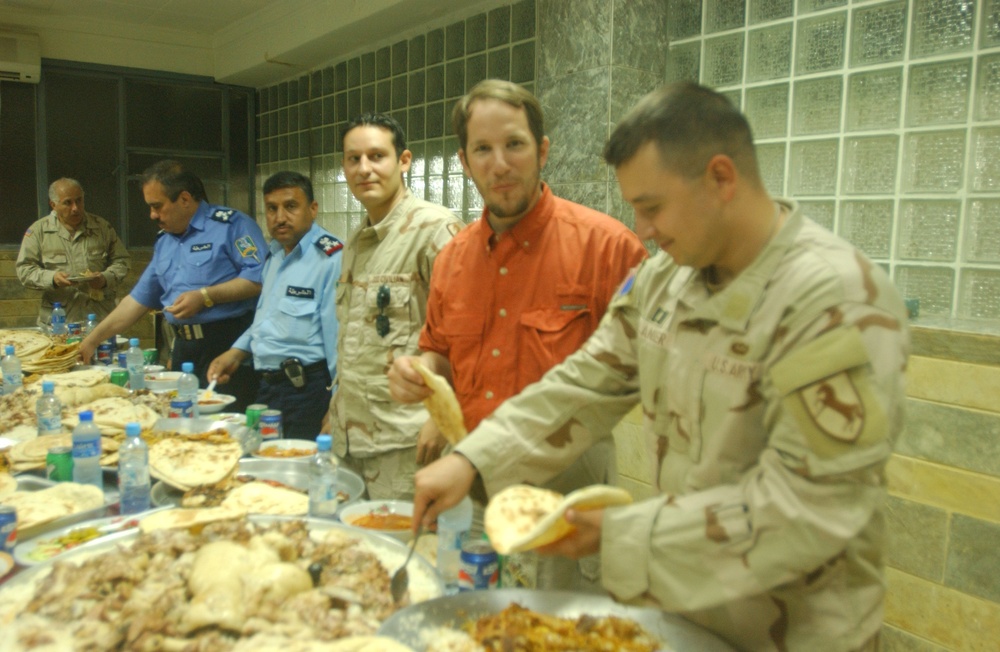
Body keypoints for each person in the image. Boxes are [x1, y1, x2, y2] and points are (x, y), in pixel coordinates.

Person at [407, 83, 910, 651]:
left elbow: (813, 505)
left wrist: (620, 537)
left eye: (652, 207)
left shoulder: (831, 298)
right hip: (688, 609)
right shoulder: (666, 280)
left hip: (795, 629)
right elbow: (585, 382)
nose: (641, 231)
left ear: (721, 178)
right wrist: (474, 459)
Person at [387, 79, 647, 590]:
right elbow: (438, 352)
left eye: (514, 144)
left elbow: (637, 367)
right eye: (483, 149)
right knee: (466, 618)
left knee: (561, 633)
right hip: (470, 484)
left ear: (542, 150)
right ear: (464, 161)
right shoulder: (453, 259)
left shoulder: (607, 247)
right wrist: (417, 374)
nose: (500, 164)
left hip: (563, 490)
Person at [324, 112, 464, 500]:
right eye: (353, 159)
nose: (364, 169)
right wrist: (335, 412)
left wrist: (443, 420)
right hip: (352, 440)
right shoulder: (356, 240)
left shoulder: (435, 229)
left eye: (376, 156)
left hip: (408, 441)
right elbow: (356, 343)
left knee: (408, 553)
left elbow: (469, 334)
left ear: (403, 161)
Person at [80, 160, 265, 410]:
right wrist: (91, 341)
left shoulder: (231, 226)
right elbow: (137, 301)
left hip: (227, 345)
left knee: (223, 424)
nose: (152, 215)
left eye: (157, 206)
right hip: (183, 350)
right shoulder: (165, 242)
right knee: (181, 421)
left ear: (185, 199)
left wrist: (206, 296)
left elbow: (260, 278)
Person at [208, 171, 342, 440]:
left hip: (308, 393)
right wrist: (237, 351)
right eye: (272, 208)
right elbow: (267, 318)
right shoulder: (275, 254)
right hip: (268, 388)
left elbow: (341, 341)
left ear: (313, 209)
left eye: (290, 206)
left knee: (299, 473)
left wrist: (339, 405)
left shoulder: (331, 259)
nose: (280, 217)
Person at [16, 178, 131, 329]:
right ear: (53, 205)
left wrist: (105, 278)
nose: (75, 208)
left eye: (79, 200)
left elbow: (122, 261)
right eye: (68, 203)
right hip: (58, 322)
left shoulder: (101, 227)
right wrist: (52, 278)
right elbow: (24, 270)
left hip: (99, 319)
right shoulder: (39, 231)